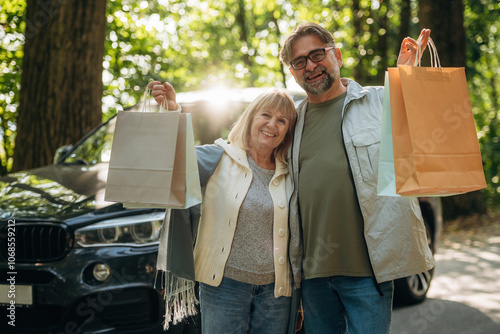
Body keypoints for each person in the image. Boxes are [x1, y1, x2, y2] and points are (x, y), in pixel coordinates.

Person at [279, 23, 435, 333]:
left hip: (368, 274)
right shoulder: (291, 123)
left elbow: (421, 133)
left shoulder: (378, 102)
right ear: (293, 72)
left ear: (336, 55)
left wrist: (410, 79)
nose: (310, 66)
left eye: (317, 54)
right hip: (313, 278)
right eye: (299, 61)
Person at [148, 81, 298, 334]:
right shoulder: (217, 158)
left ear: (287, 132)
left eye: (282, 121)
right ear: (251, 119)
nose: (272, 124)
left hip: (276, 293)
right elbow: (172, 160)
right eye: (266, 115)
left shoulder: (291, 172)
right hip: (224, 287)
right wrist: (172, 112)